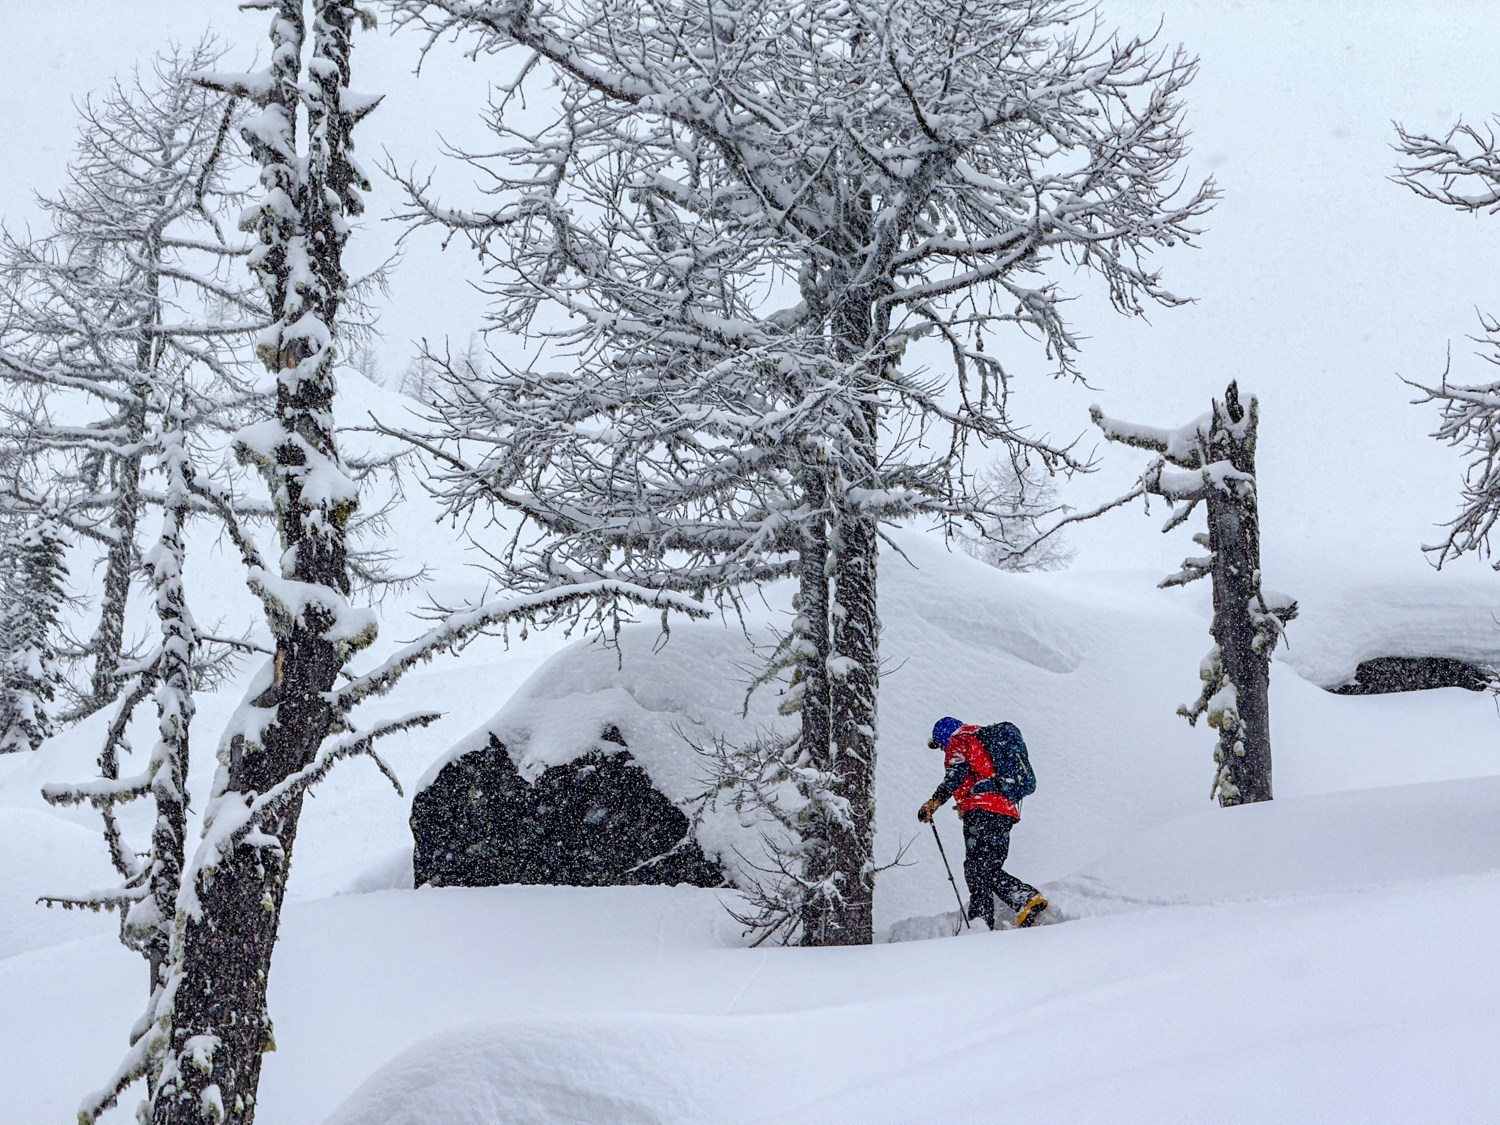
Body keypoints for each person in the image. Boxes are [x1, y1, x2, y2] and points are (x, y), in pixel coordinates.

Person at [918, 716, 1048, 930]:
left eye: (940, 744)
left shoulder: (959, 741)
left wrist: (935, 801)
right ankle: (990, 917)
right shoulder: (980, 741)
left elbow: (955, 775)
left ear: (943, 735)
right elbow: (976, 776)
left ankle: (1006, 908)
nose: (943, 750)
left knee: (977, 868)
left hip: (983, 812)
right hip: (1003, 810)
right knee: (984, 867)